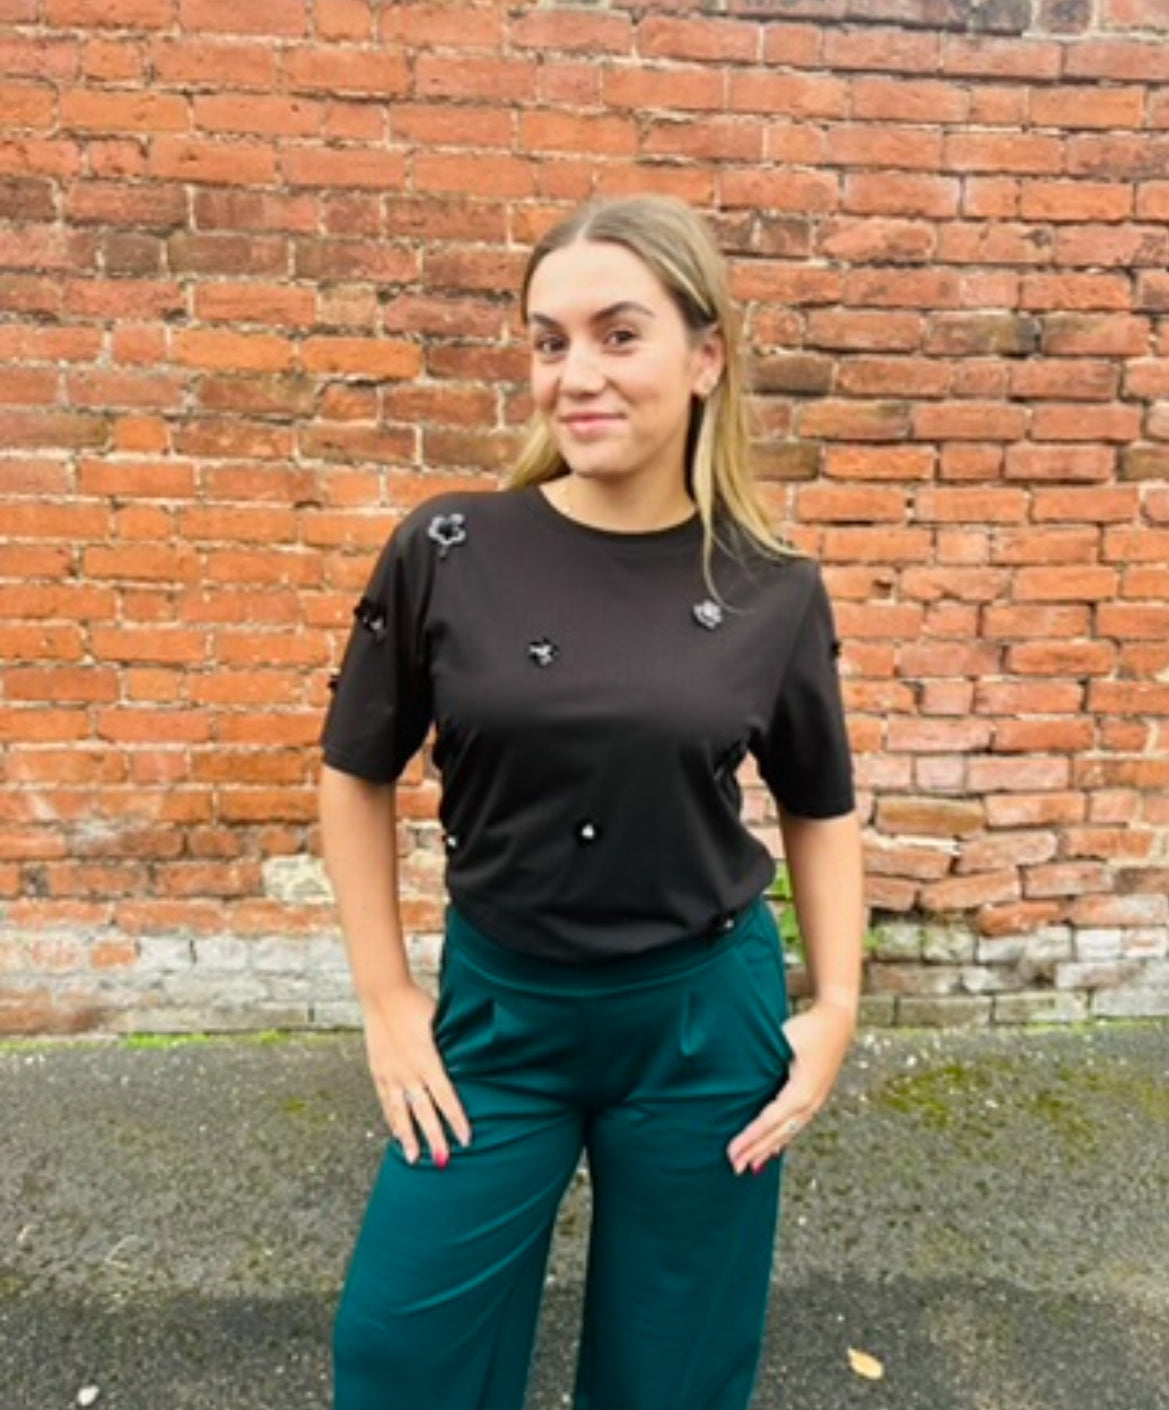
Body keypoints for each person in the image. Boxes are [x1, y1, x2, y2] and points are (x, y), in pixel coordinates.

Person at [318, 194, 866, 1410]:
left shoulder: (771, 588)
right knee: (401, 1354)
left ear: (705, 356)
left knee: (670, 1374)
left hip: (701, 1027)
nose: (575, 375)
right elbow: (353, 770)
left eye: (618, 335)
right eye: (548, 341)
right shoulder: (448, 548)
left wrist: (835, 1006)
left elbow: (818, 805)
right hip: (497, 1019)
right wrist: (386, 997)